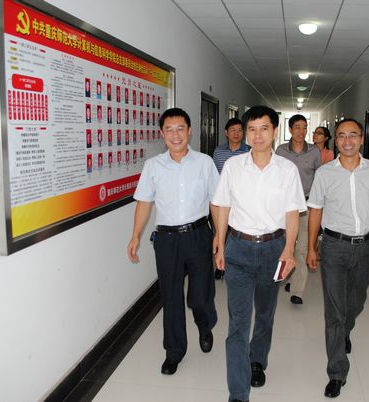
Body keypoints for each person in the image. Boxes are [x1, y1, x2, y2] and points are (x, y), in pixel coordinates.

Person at [212, 105, 305, 402]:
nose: (257, 135)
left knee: (265, 314)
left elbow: (292, 213)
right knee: (238, 323)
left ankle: (257, 360)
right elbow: (222, 205)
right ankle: (238, 392)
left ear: (275, 131)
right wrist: (220, 242)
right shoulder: (233, 167)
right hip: (238, 248)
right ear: (245, 133)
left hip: (273, 250)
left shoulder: (287, 170)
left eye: (264, 128)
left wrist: (289, 250)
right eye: (251, 129)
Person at [127, 107, 219, 376]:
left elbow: (216, 202)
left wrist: (220, 237)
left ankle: (205, 325)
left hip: (199, 234)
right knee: (171, 296)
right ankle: (174, 351)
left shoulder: (204, 163)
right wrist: (135, 235)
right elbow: (144, 202)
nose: (175, 135)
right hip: (167, 239)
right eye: (169, 129)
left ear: (190, 131)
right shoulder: (153, 166)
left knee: (200, 296)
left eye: (180, 129)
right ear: (162, 133)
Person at [306, 118, 369, 399]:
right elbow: (316, 211)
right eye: (342, 135)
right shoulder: (325, 173)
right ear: (336, 140)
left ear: (361, 139)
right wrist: (311, 247)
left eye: (353, 135)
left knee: (355, 302)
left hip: (365, 246)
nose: (347, 141)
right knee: (334, 310)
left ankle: (345, 331)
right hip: (333, 246)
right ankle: (337, 372)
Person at [275, 114, 320, 304]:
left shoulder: (314, 152)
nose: (301, 131)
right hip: (284, 207)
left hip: (306, 206)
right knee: (285, 245)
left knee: (301, 248)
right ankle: (288, 276)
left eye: (304, 127)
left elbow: (319, 178)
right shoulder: (280, 151)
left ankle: (297, 291)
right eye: (297, 127)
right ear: (290, 129)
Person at [211, 117, 250, 280]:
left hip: (241, 201)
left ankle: (238, 264)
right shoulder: (218, 151)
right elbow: (214, 176)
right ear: (226, 133)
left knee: (238, 233)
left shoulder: (249, 151)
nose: (236, 133)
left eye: (240, 130)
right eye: (233, 130)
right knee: (220, 232)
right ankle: (220, 265)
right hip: (222, 200)